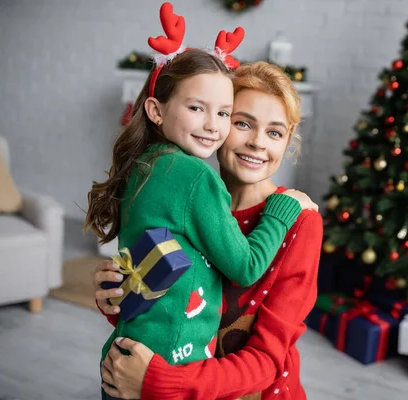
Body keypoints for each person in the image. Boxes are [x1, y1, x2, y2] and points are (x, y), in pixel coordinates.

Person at [85, 4, 317, 399]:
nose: (258, 142)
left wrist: (160, 380)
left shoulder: (299, 222)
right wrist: (117, 294)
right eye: (242, 122)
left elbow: (265, 359)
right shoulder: (190, 194)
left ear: (288, 143)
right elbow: (166, 308)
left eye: (275, 132)